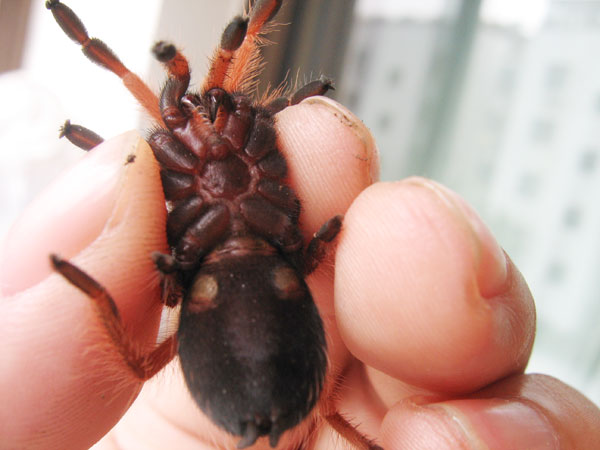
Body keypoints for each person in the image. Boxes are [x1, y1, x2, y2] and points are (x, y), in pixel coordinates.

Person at [1, 97, 598, 449]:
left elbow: (137, 363)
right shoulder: (262, 215)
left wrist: (91, 289)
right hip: (256, 299)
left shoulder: (209, 211)